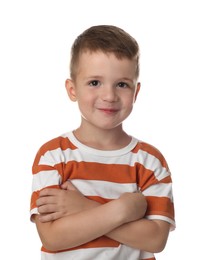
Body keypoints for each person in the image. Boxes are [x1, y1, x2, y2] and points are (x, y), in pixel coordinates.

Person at [30, 25, 175, 260]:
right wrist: (124, 210)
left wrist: (84, 207)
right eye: (95, 82)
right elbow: (53, 237)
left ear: (136, 93)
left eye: (121, 84)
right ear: (72, 89)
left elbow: (155, 240)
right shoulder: (53, 155)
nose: (109, 96)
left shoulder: (149, 161)